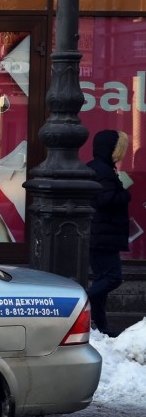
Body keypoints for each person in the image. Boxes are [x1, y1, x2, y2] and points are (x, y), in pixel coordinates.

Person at [87, 129, 132, 337]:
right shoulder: (104, 171)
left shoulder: (97, 168)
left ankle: (101, 324)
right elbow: (105, 200)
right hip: (103, 236)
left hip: (100, 234)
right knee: (113, 278)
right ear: (112, 149)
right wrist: (124, 194)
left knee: (102, 279)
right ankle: (78, 305)